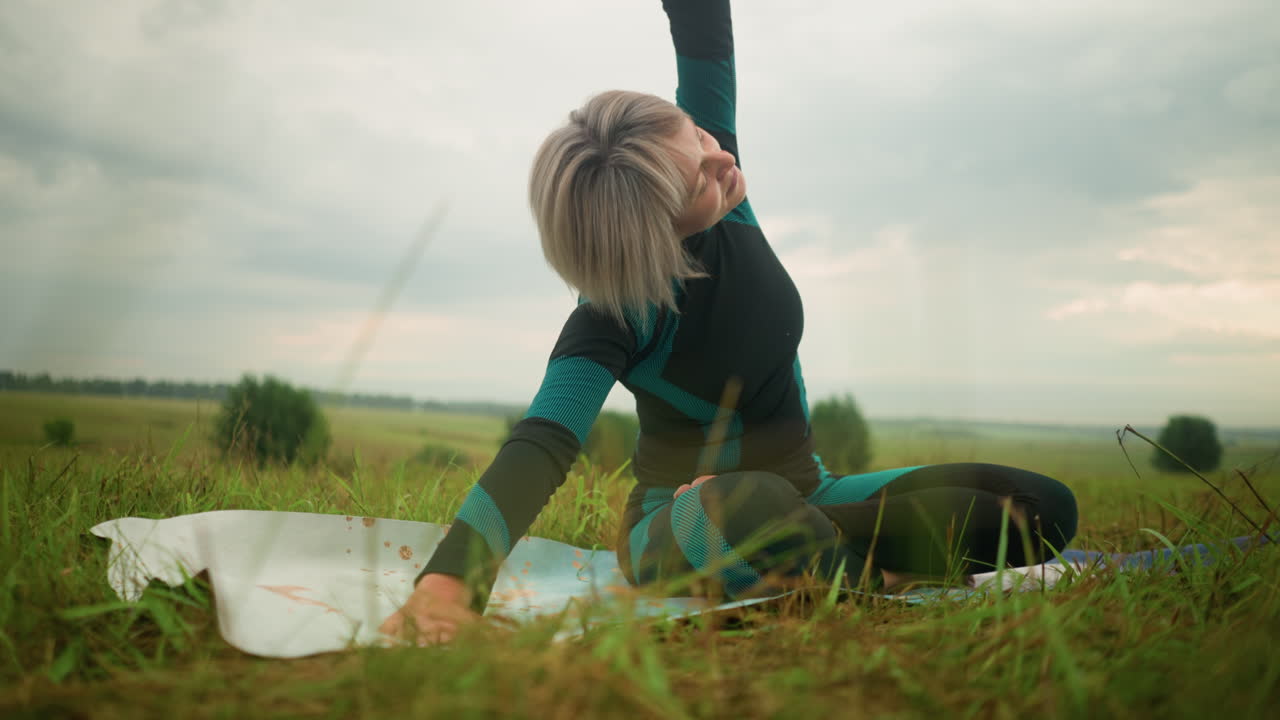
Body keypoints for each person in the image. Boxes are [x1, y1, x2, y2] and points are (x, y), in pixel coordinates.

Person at [380, 0, 1078, 646]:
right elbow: (541, 445)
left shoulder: (728, 192)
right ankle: (848, 574)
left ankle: (824, 560)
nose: (725, 161)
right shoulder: (612, 319)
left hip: (812, 493)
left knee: (1039, 507)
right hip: (682, 524)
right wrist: (448, 586)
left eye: (705, 139)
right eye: (701, 179)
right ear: (650, 230)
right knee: (741, 505)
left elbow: (703, 29)